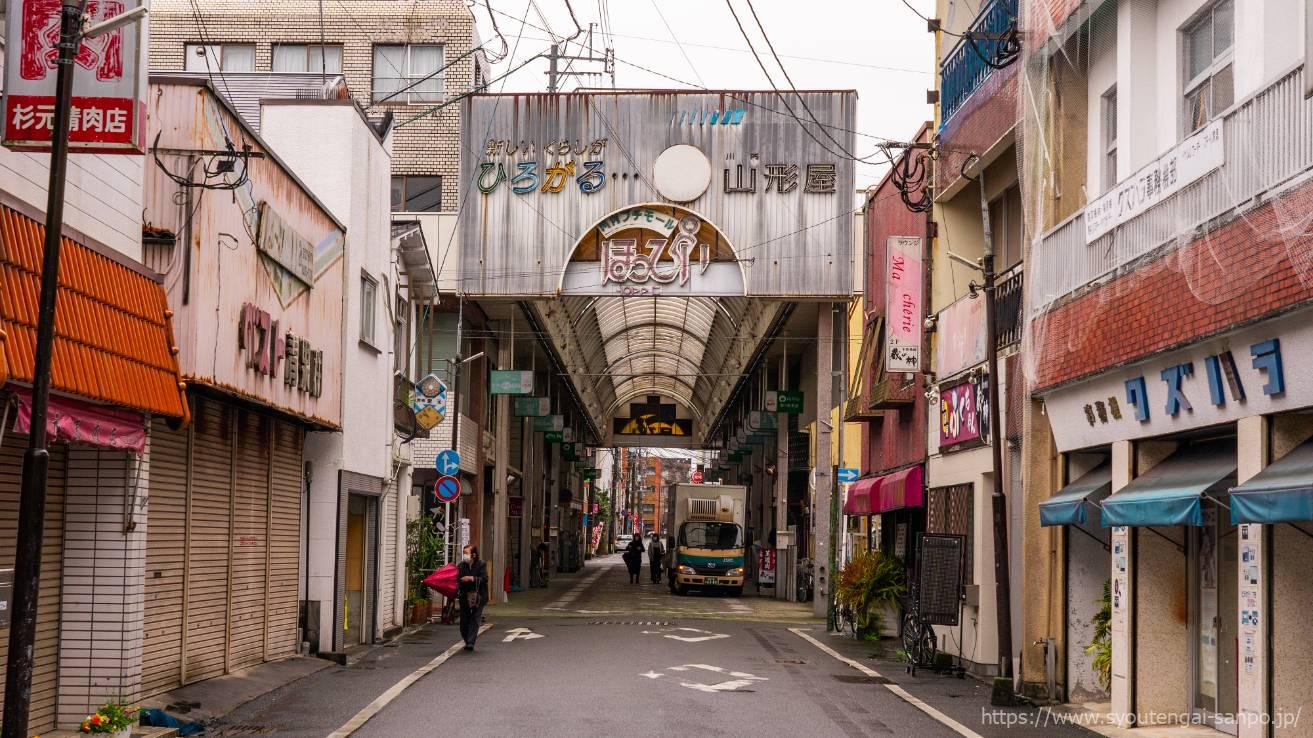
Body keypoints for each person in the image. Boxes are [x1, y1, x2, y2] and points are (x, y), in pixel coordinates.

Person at [456, 544, 489, 650]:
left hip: (478, 596)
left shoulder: (481, 564)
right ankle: (466, 639)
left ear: (473, 555)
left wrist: (471, 578)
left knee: (475, 617)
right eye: (464, 553)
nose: (465, 555)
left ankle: (471, 642)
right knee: (464, 620)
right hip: (465, 595)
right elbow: (457, 579)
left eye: (467, 553)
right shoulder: (461, 566)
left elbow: (484, 578)